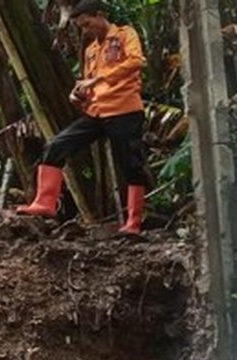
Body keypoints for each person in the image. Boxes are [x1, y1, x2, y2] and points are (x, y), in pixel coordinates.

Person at [17, 0, 148, 233]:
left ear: (99, 15)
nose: (86, 30)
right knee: (57, 145)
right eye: (81, 27)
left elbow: (136, 61)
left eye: (87, 24)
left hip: (124, 109)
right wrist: (78, 95)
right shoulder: (90, 50)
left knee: (131, 165)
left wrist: (97, 80)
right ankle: (45, 203)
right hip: (97, 112)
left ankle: (133, 222)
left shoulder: (125, 34)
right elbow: (89, 83)